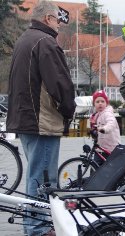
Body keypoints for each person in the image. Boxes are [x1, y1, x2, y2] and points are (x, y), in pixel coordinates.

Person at [6, 1, 76, 235]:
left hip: (25, 119)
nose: (59, 24)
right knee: (44, 179)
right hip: (42, 121)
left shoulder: (25, 40)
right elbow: (60, 85)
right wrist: (69, 109)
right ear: (47, 18)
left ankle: (36, 225)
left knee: (36, 175)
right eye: (57, 19)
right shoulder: (45, 42)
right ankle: (38, 228)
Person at [90, 90, 121, 165]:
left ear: (106, 103)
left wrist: (104, 129)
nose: (100, 103)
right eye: (97, 102)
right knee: (95, 167)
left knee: (108, 169)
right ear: (94, 104)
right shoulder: (96, 115)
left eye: (102, 101)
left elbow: (111, 123)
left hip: (110, 148)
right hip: (100, 148)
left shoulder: (107, 113)